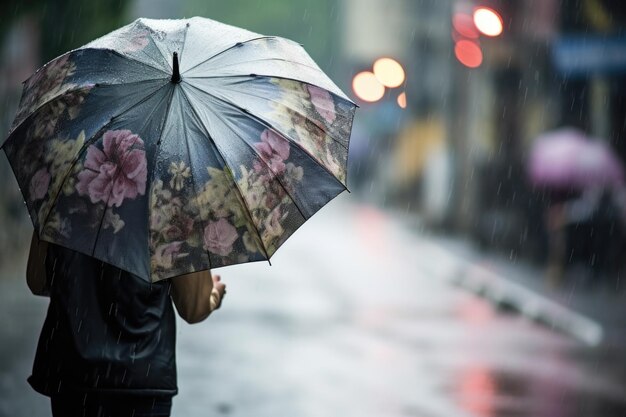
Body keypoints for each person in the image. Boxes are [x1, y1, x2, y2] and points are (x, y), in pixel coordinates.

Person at [26, 231, 226, 417]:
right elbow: (194, 307)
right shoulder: (171, 204)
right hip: (141, 373)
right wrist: (214, 293)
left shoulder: (64, 199)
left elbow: (38, 280)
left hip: (73, 368)